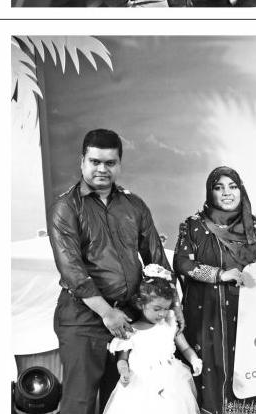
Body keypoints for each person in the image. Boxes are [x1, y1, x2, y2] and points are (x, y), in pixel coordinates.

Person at [47, 129, 179, 414]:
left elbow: (157, 259)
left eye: (110, 163)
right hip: (84, 320)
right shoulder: (66, 207)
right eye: (95, 161)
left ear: (119, 164)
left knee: (126, 400)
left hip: (130, 317)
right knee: (80, 403)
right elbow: (72, 270)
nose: (102, 169)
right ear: (82, 161)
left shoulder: (134, 205)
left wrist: (173, 306)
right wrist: (107, 312)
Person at [174, 166, 256, 414]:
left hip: (247, 315)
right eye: (219, 187)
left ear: (241, 190)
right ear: (210, 192)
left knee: (246, 369)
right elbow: (182, 263)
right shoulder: (195, 225)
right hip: (207, 314)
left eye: (233, 186)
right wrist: (219, 274)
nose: (227, 192)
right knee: (210, 370)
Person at [104, 275, 203, 414]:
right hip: (140, 381)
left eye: (166, 309)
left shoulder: (169, 324)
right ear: (140, 304)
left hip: (170, 381)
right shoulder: (131, 331)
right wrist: (124, 372)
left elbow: (185, 347)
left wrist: (194, 360)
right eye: (157, 309)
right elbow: (122, 360)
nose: (162, 314)